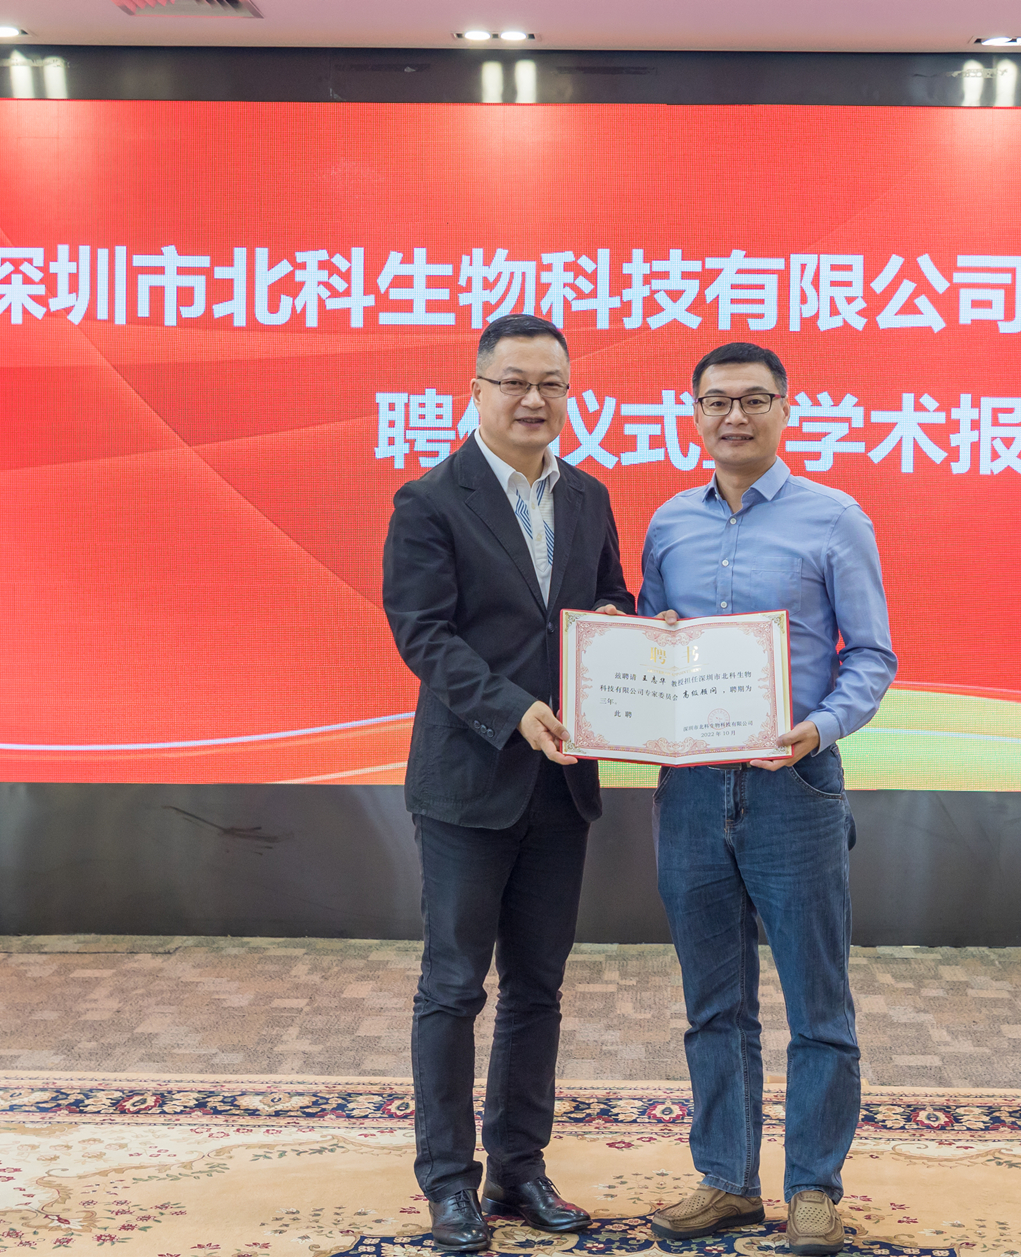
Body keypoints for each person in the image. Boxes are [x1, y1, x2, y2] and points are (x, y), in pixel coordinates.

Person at [638, 343, 897, 1256]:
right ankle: (727, 1180)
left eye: (754, 399)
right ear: (694, 414)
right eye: (717, 401)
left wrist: (818, 728)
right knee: (713, 1001)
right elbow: (653, 642)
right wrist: (651, 640)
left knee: (818, 1002)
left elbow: (872, 656)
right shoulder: (669, 522)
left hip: (795, 784)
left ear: (786, 410)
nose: (734, 416)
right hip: (692, 791)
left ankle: (814, 1186)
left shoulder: (835, 518)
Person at [382, 313, 635, 1251]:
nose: (535, 400)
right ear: (478, 390)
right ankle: (449, 1181)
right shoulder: (429, 501)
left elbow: (608, 599)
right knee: (453, 986)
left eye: (552, 384)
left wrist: (625, 628)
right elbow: (425, 634)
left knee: (538, 987)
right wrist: (511, 708)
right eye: (516, 382)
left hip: (561, 783)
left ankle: (519, 1167)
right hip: (468, 780)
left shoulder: (590, 496)